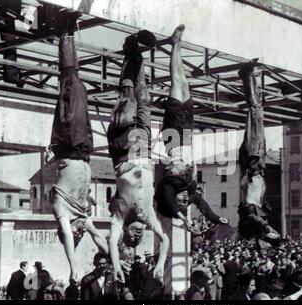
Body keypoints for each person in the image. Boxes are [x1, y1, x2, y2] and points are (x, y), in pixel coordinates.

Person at [49, 9, 108, 293]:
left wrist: (73, 267)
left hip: (68, 145)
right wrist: (115, 260)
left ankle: (65, 31)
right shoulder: (82, 218)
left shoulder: (62, 213)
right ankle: (66, 32)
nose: (81, 231)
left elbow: (70, 242)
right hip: (82, 151)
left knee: (71, 84)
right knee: (78, 88)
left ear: (66, 231)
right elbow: (98, 237)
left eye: (76, 233)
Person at [107, 28, 169, 286]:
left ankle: (129, 51)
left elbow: (111, 240)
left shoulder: (120, 217)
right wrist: (160, 263)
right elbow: (164, 239)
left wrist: (115, 265)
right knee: (143, 98)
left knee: (127, 97)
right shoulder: (148, 218)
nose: (138, 235)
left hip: (124, 150)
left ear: (124, 233)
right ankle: (137, 52)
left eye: (132, 237)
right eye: (138, 238)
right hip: (143, 148)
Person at [154, 24, 228, 232]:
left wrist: (183, 220)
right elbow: (202, 205)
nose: (186, 199)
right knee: (184, 84)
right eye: (186, 201)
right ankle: (176, 44)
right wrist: (214, 219)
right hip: (186, 134)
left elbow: (168, 203)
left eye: (182, 201)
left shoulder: (168, 186)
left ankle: (175, 44)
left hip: (174, 135)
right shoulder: (188, 187)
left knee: (176, 83)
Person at [237, 61, 280, 245]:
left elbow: (255, 220)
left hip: (254, 159)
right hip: (255, 161)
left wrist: (267, 233)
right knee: (255, 112)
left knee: (256, 112)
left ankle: (248, 75)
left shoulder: (251, 212)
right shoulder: (255, 210)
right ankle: (249, 77)